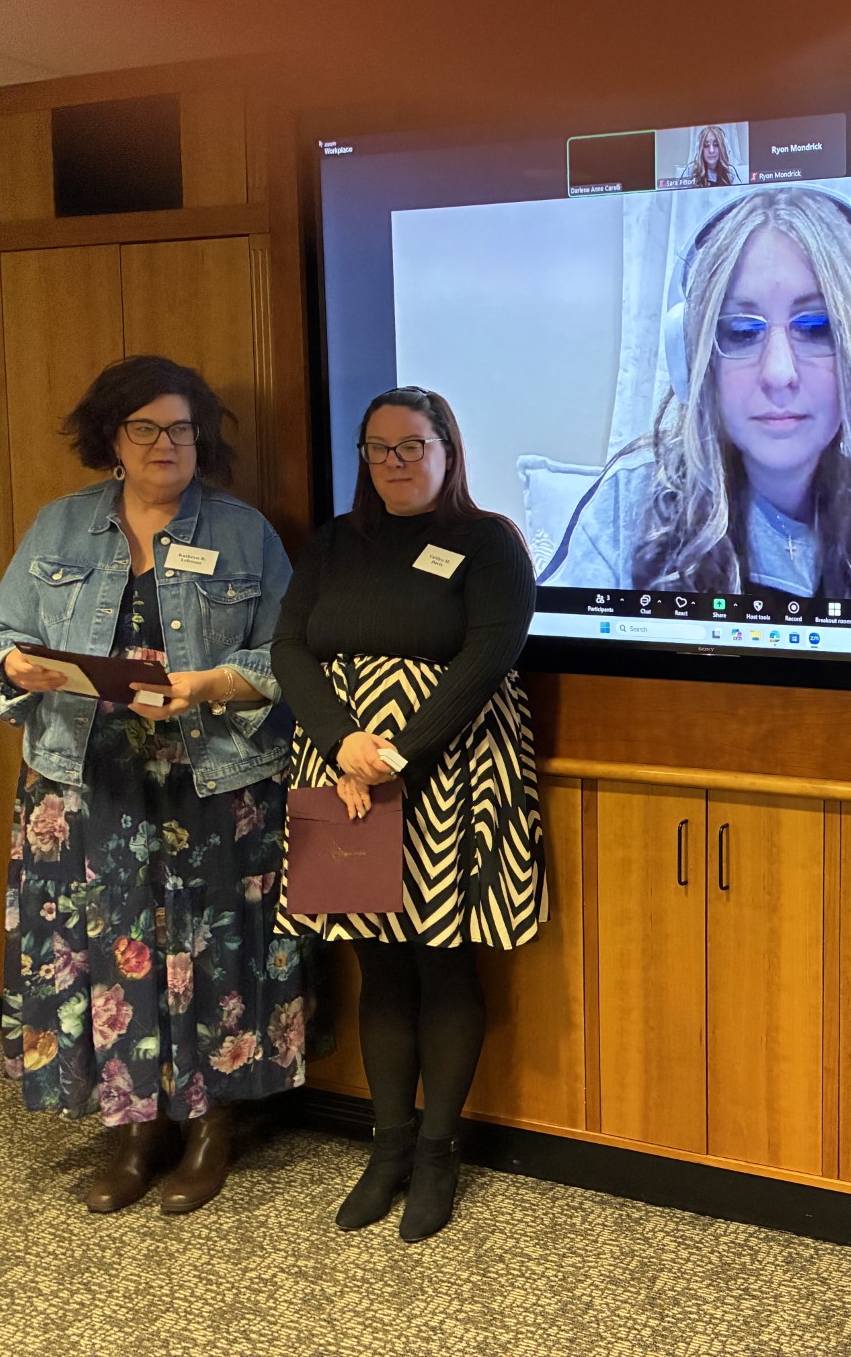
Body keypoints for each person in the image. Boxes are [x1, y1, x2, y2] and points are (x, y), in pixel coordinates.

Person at [0, 355, 300, 1215]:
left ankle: (211, 1127)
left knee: (215, 955)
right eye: (147, 428)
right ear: (113, 439)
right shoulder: (60, 527)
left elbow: (287, 658)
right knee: (110, 953)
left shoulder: (243, 533)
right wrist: (15, 662)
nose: (168, 444)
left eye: (184, 429)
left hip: (212, 777)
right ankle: (133, 1130)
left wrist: (210, 685)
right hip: (87, 781)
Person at [273, 384, 543, 1243]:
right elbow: (288, 648)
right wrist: (343, 742)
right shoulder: (333, 544)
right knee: (376, 964)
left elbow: (490, 654)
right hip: (340, 766)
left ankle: (437, 1152)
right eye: (378, 449)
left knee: (442, 962)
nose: (395, 464)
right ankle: (385, 1149)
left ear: (448, 452)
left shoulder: (488, 542)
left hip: (454, 771)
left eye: (412, 447)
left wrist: (395, 754)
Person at [551, 185, 851, 600]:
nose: (779, 373)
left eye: (817, 327)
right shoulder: (627, 509)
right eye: (742, 331)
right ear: (695, 361)